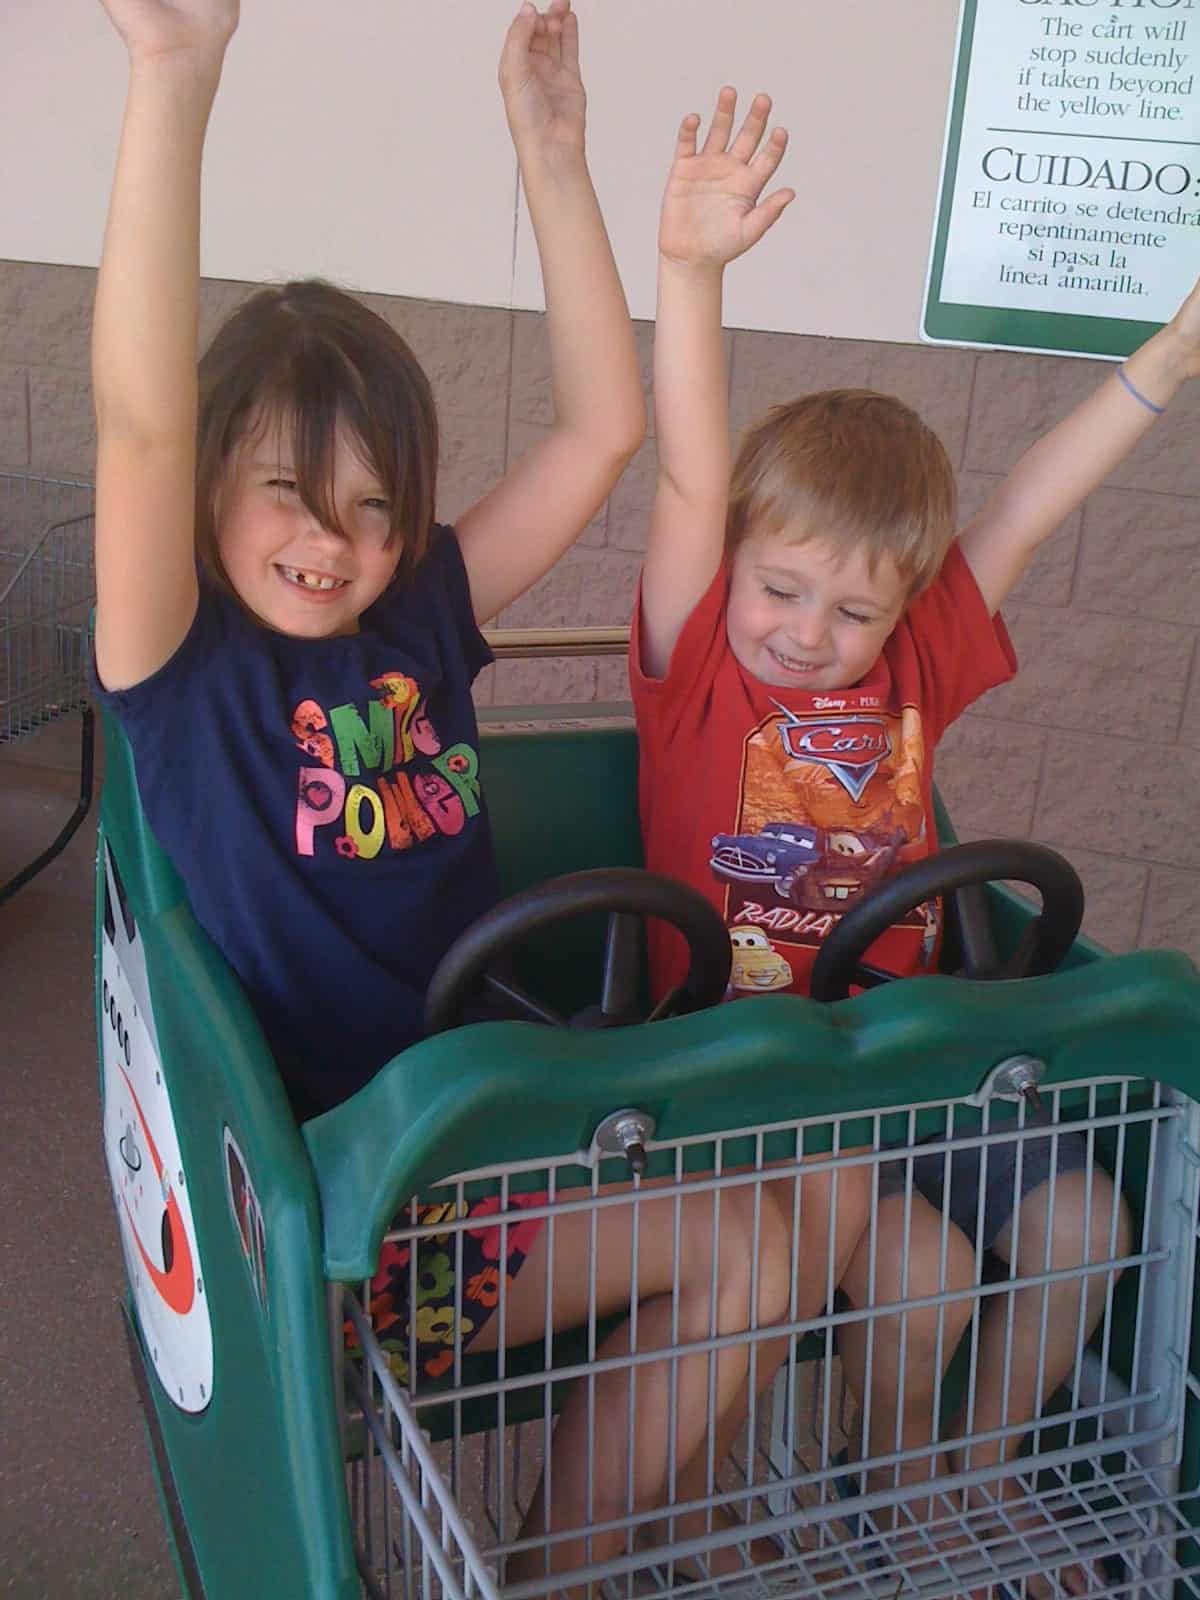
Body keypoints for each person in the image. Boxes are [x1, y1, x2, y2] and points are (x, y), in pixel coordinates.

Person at [90, 4, 860, 1589]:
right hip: (351, 1229)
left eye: (376, 505)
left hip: (507, 1133)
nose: (336, 538)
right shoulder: (184, 668)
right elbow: (138, 419)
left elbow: (602, 430)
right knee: (750, 1252)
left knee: (812, 1212)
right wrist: (176, 79)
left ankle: (615, 1543)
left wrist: (552, 154)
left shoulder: (419, 617)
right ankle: (564, 1564)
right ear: (212, 495)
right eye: (292, 497)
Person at [630, 84, 1200, 1595]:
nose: (811, 635)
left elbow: (1024, 503)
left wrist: (1168, 359)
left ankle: (977, 1473)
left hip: (915, 1048)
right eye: (784, 592)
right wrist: (691, 274)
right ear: (735, 575)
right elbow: (691, 468)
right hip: (754, 1066)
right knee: (920, 1267)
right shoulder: (701, 674)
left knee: (1084, 1218)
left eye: (854, 608)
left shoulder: (919, 668)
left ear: (903, 609)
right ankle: (818, 1490)